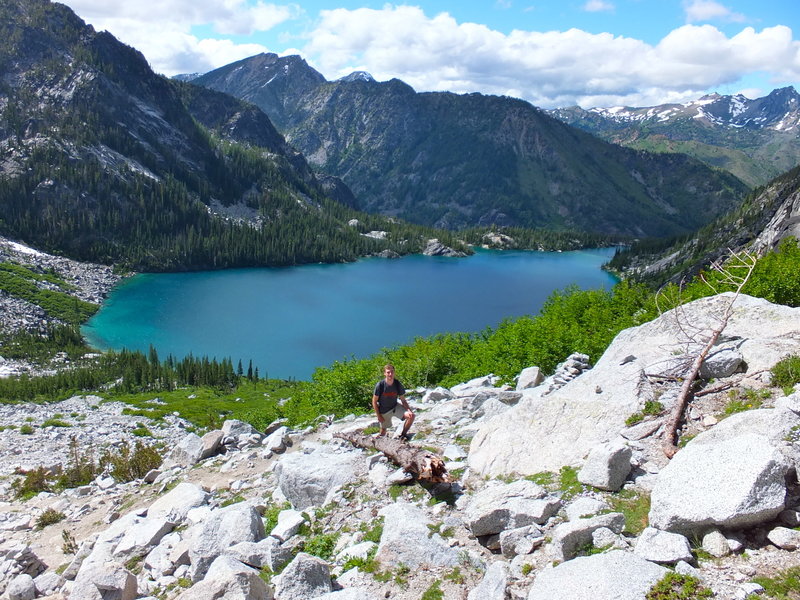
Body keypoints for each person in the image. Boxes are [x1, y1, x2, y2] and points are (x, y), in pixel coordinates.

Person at [372, 363, 414, 439]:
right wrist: (379, 416)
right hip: (384, 411)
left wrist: (409, 410)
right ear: (384, 373)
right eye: (388, 372)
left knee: (411, 416)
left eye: (392, 372)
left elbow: (403, 400)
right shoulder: (380, 385)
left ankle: (403, 435)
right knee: (383, 432)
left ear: (394, 372)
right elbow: (374, 402)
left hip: (395, 407)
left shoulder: (397, 384)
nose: (390, 374)